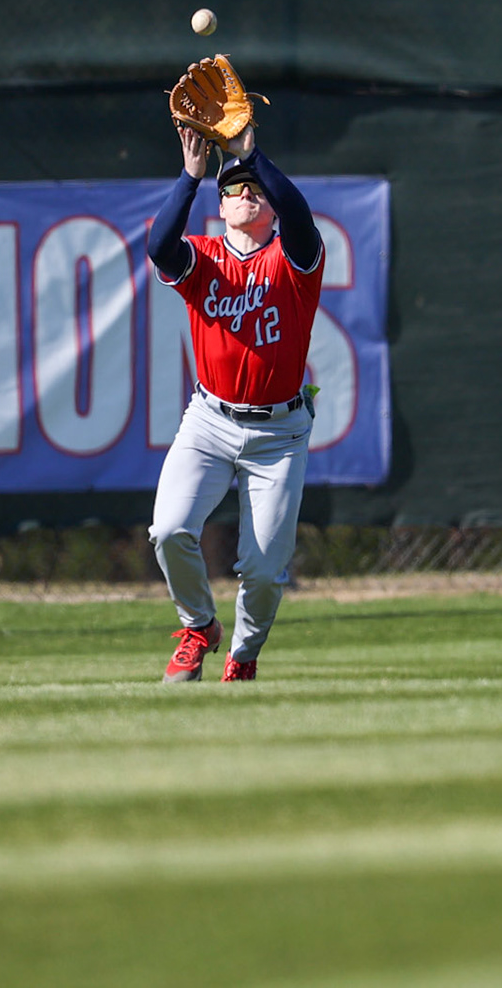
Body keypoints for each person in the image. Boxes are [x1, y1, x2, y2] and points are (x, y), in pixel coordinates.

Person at [145, 108, 324, 682]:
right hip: (210, 420)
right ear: (220, 208)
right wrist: (192, 175)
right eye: (234, 190)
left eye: (254, 189)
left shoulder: (293, 262)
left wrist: (250, 157)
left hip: (279, 432)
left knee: (266, 572)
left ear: (269, 207)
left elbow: (299, 217)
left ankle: (242, 658)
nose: (244, 193)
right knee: (169, 529)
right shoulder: (205, 259)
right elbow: (157, 246)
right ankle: (199, 626)